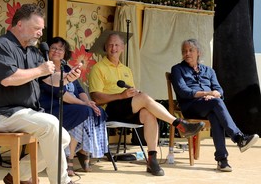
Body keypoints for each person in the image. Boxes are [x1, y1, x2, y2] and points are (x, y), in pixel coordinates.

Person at [0, 4, 78, 184]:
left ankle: (18, 175)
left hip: (26, 112)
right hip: (3, 114)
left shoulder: (33, 51)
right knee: (51, 125)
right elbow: (8, 79)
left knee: (63, 137)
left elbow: (48, 79)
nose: (40, 33)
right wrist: (41, 70)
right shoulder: (1, 46)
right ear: (19, 25)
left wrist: (66, 77)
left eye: (41, 29)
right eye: (36, 28)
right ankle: (62, 181)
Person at [88, 32, 205, 176]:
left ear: (123, 48)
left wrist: (133, 94)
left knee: (149, 113)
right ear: (105, 47)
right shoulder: (98, 68)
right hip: (109, 109)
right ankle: (179, 124)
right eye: (111, 45)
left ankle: (152, 160)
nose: (114, 48)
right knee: (143, 98)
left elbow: (130, 95)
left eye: (117, 45)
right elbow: (96, 98)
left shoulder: (126, 70)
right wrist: (121, 95)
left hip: (126, 109)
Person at [170, 38, 259, 172]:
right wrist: (206, 93)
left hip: (209, 105)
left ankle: (222, 160)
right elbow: (183, 92)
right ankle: (238, 138)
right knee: (216, 104)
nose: (187, 53)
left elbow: (219, 90)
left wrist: (214, 94)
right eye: (184, 51)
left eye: (190, 50)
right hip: (190, 107)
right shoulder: (177, 69)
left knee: (215, 113)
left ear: (198, 52)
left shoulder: (209, 71)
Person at [39, 36, 108, 176]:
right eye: (53, 48)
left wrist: (88, 102)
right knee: (83, 111)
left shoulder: (67, 68)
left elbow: (80, 90)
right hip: (54, 108)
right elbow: (62, 94)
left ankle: (84, 150)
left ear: (65, 53)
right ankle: (70, 157)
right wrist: (84, 104)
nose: (57, 51)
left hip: (73, 105)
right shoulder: (45, 68)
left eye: (61, 49)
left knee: (97, 111)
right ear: (48, 51)